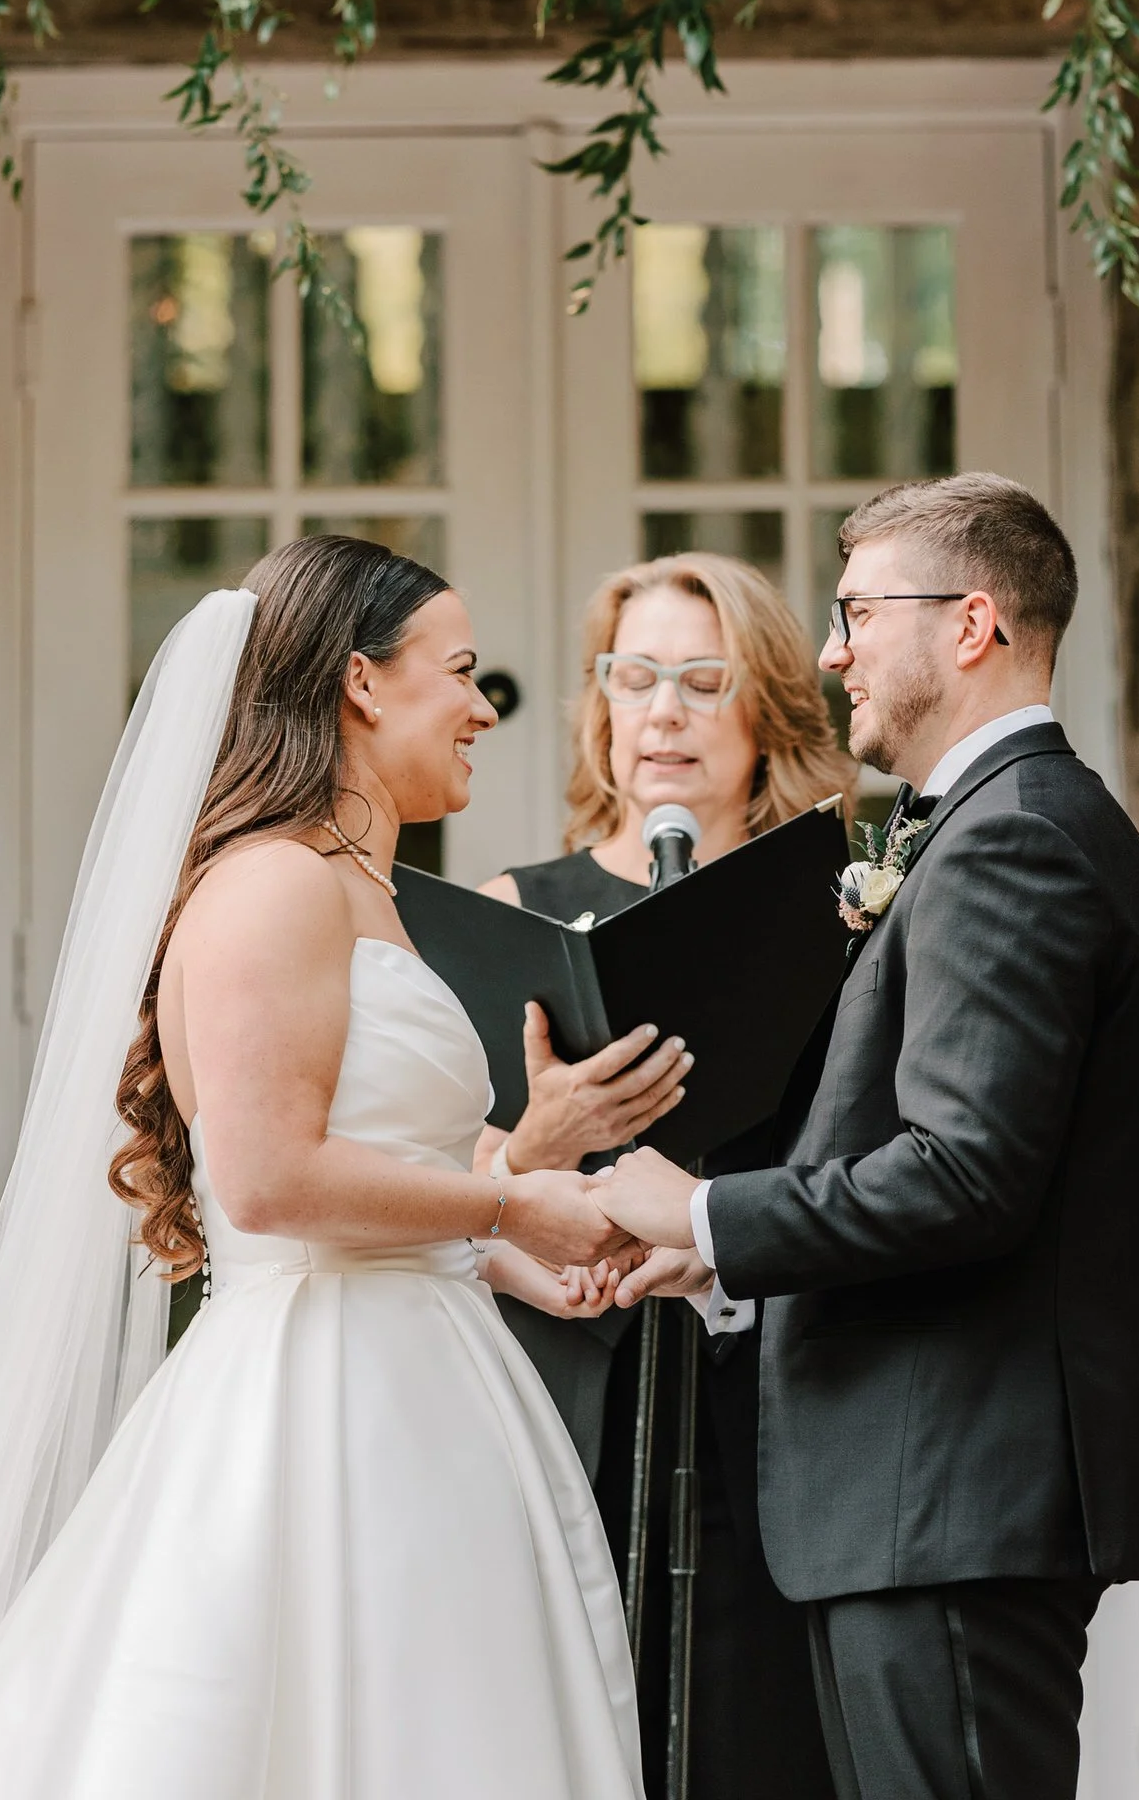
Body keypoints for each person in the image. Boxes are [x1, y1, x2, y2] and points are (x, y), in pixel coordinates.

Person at [0, 536, 646, 1800]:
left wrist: (515, 1256)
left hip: (422, 1376)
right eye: (459, 674)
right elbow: (266, 1181)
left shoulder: (366, 887)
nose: (482, 709)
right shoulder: (273, 887)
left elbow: (377, 1157)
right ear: (361, 683)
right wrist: (518, 1198)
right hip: (325, 1404)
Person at [595, 476, 1139, 1800]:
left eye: (858, 613)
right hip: (916, 1504)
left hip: (951, 1496)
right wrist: (719, 1270)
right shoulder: (986, 827)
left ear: (971, 625)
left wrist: (699, 1216)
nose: (836, 649)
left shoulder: (1015, 837)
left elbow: (965, 1174)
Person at [479, 553, 854, 1800]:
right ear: (599, 707)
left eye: (705, 679)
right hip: (576, 1380)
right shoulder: (517, 906)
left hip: (774, 1384)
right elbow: (449, 1170)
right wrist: (538, 1140)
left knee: (756, 1738)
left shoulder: (846, 909)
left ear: (768, 713)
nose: (665, 712)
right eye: (634, 677)